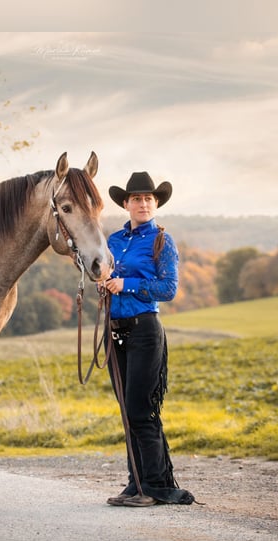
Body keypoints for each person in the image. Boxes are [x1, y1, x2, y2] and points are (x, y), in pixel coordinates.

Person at [102, 171, 195, 507]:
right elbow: (100, 271)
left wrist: (125, 285)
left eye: (148, 199)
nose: (143, 204)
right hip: (114, 330)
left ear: (155, 204)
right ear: (126, 204)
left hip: (144, 330)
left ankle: (154, 485)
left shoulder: (161, 241)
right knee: (128, 411)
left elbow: (168, 288)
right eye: (136, 199)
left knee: (142, 410)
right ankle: (135, 483)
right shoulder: (112, 240)